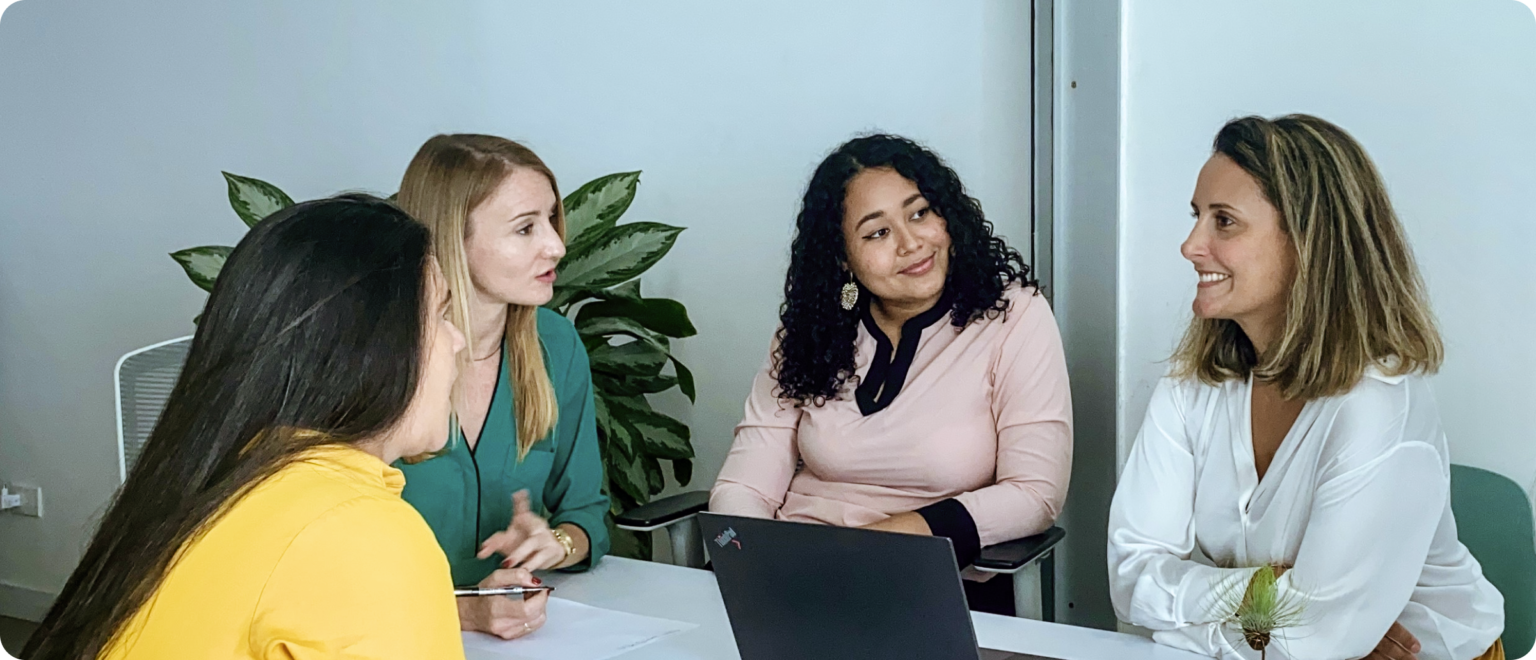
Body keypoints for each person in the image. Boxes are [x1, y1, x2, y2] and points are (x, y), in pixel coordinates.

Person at [1107, 115, 1504, 660]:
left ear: (1308, 242)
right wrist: (1267, 594)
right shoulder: (1190, 385)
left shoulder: (1379, 404)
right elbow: (1130, 578)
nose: (1190, 245)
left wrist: (1202, 607)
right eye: (1197, 216)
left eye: (1224, 222)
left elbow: (1311, 642)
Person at [23, 195, 469, 659]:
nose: (457, 341)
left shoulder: (218, 484)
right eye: (440, 314)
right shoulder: (362, 534)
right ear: (370, 344)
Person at [709, 133, 1073, 613]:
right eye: (877, 232)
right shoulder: (807, 330)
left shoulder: (1013, 317)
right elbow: (744, 486)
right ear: (843, 257)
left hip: (934, 584)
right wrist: (756, 566)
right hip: (796, 580)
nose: (911, 243)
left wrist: (867, 549)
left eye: (920, 212)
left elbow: (1034, 494)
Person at [395, 134, 609, 639]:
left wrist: (557, 542)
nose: (556, 245)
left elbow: (586, 514)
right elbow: (320, 568)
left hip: (522, 640)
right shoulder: (376, 360)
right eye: (525, 228)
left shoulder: (556, 345)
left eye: (551, 220)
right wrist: (464, 611)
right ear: (453, 237)